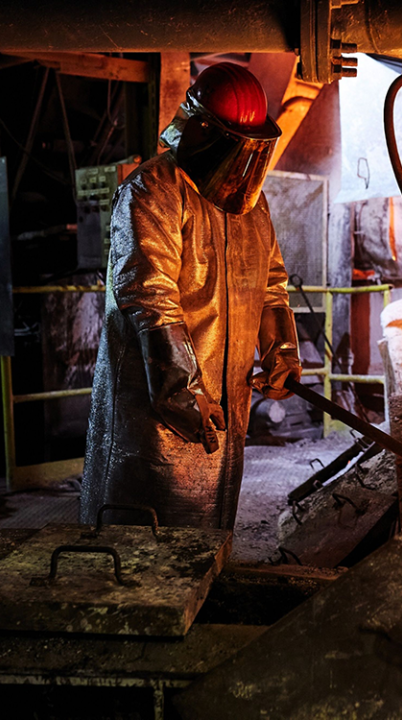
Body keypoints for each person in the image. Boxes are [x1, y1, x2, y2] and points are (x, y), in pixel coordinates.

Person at [80, 62, 301, 529]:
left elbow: (271, 285)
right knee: (143, 546)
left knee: (208, 542)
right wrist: (182, 389)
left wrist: (282, 352)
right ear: (204, 132)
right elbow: (149, 295)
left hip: (223, 411)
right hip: (155, 415)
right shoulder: (153, 189)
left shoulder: (250, 204)